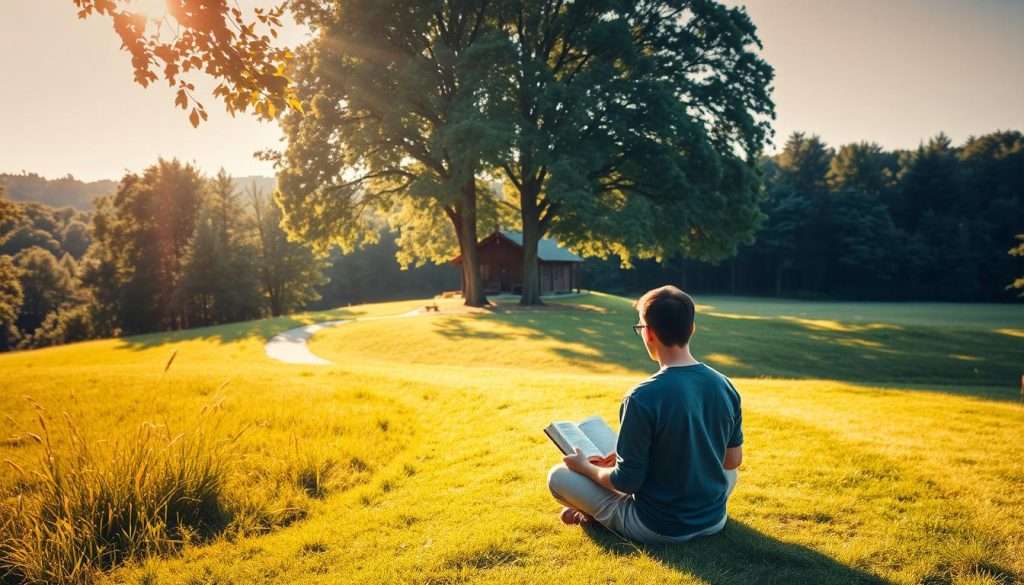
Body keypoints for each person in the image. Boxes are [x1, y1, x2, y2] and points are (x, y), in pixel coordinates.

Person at [547, 285, 743, 543]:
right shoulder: (724, 384)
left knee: (558, 477)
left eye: (640, 327)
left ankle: (594, 517)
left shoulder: (642, 397)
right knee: (725, 472)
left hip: (659, 527)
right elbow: (731, 462)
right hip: (713, 519)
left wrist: (584, 467)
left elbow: (625, 483)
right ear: (691, 328)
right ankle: (598, 507)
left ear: (649, 333)